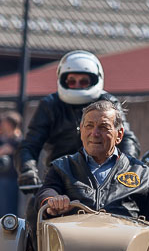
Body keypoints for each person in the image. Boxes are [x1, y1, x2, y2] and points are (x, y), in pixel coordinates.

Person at [37, 100, 149, 231]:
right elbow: (47, 191)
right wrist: (52, 202)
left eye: (103, 127)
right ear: (81, 132)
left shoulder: (140, 172)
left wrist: (145, 237)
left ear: (119, 135)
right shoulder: (61, 167)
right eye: (89, 126)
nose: (95, 133)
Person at [17, 50, 140, 188]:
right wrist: (27, 170)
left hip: (103, 178)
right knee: (38, 206)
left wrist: (127, 167)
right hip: (59, 177)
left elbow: (127, 139)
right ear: (62, 80)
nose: (77, 85)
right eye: (71, 81)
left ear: (95, 80)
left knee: (130, 206)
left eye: (83, 81)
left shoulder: (109, 102)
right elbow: (30, 144)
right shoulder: (50, 104)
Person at [0, 111, 23, 251]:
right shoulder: (4, 140)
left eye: (5, 123)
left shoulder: (17, 141)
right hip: (1, 181)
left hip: (11, 181)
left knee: (8, 213)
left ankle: (8, 247)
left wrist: (1, 152)